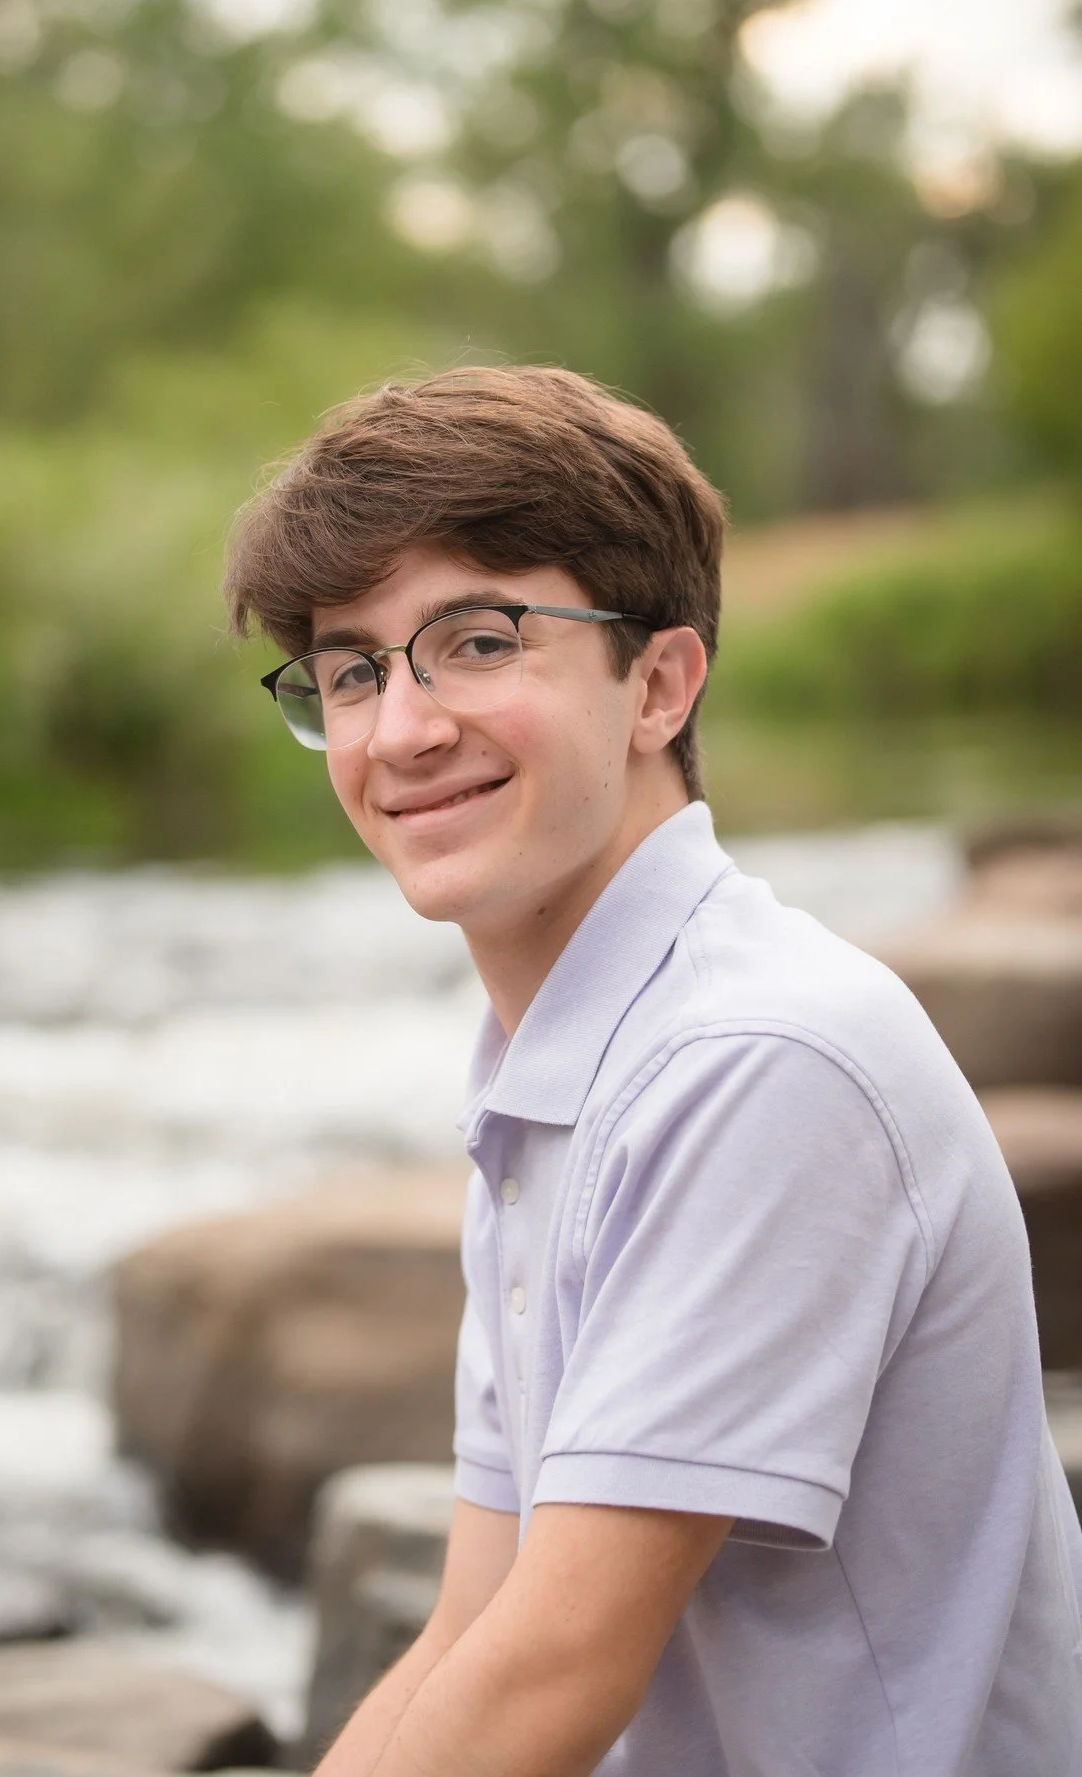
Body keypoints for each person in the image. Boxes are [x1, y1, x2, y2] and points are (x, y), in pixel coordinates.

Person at [224, 365, 1082, 1777]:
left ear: (658, 684)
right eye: (353, 668)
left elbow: (552, 1680)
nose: (401, 730)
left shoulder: (756, 1059)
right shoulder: (558, 1058)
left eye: (478, 641)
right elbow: (470, 1635)